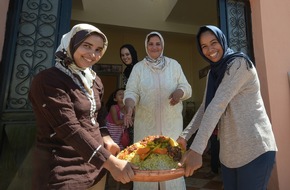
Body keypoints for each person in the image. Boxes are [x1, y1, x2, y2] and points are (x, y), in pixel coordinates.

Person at [29, 23, 137, 190]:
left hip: (97, 168)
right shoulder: (48, 81)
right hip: (64, 172)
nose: (92, 54)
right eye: (86, 46)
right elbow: (69, 129)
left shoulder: (94, 81)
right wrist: (112, 163)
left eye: (99, 49)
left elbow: (99, 115)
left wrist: (107, 138)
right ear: (72, 44)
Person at [177, 25, 277, 190]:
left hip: (255, 149)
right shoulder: (213, 72)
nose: (210, 50)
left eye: (213, 42)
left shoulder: (239, 64)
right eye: (204, 46)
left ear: (222, 41)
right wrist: (185, 136)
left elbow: (217, 105)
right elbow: (205, 107)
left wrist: (197, 149)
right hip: (229, 154)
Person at [123, 31, 192, 190]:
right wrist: (129, 107)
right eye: (151, 44)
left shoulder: (174, 65)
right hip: (146, 128)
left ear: (162, 45)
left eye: (157, 43)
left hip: (171, 128)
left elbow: (186, 87)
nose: (154, 47)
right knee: (147, 171)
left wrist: (179, 93)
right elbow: (131, 91)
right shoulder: (139, 68)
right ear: (146, 46)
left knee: (172, 170)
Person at [119, 44, 138, 145]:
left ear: (133, 54)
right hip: (130, 108)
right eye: (122, 55)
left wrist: (134, 111)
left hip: (139, 109)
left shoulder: (139, 68)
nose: (125, 57)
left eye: (127, 54)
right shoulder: (126, 71)